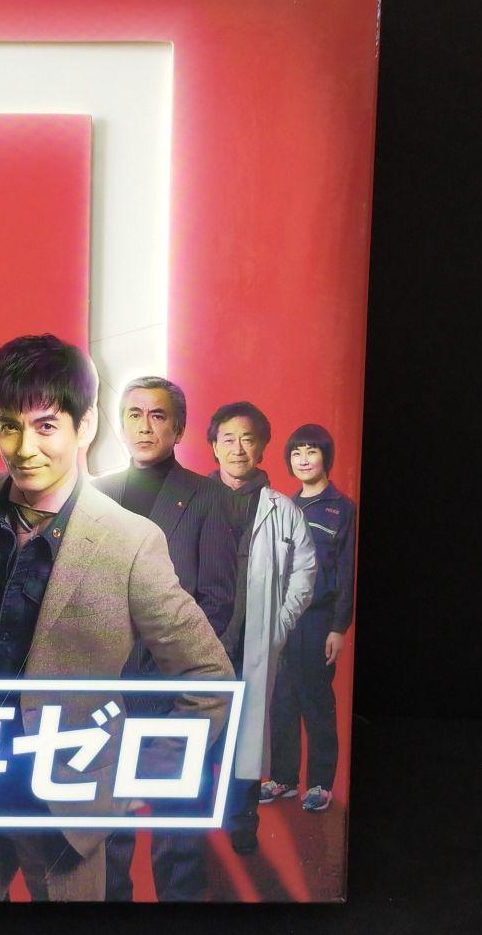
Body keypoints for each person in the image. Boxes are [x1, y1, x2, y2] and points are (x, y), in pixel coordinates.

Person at [0, 334, 234, 901]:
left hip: (67, 806)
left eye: (46, 426)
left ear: (86, 425)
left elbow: (209, 679)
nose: (24, 447)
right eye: (8, 426)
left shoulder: (130, 541)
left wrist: (138, 776)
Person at [96, 376, 236, 901]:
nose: (144, 425)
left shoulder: (208, 496)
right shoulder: (96, 494)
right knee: (106, 832)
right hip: (106, 691)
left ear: (178, 429)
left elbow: (217, 599)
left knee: (178, 832)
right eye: (134, 414)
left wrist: (170, 665)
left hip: (177, 691)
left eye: (157, 415)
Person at [207, 401, 316, 853]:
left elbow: (305, 574)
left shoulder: (282, 509)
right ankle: (193, 824)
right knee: (199, 732)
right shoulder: (194, 501)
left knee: (246, 736)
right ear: (214, 446)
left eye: (248, 439)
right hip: (201, 641)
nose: (238, 448)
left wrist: (278, 625)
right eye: (228, 439)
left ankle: (241, 823)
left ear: (263, 447)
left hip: (252, 641)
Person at [261, 424, 356, 814]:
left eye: (311, 451)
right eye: (296, 452)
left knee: (316, 700)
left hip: (318, 621)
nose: (303, 459)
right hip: (284, 619)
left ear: (325, 458)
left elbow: (347, 573)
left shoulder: (342, 509)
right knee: (281, 699)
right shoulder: (284, 507)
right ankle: (284, 778)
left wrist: (338, 627)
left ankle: (319, 783)